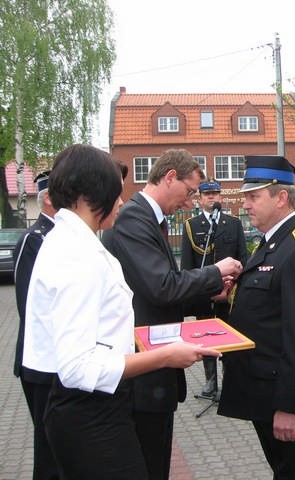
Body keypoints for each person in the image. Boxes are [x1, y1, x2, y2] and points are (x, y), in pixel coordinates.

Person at [21, 144, 219, 479]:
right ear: (93, 193)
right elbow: (78, 368)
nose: (122, 201)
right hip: (89, 412)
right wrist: (166, 356)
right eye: (116, 191)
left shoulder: (74, 242)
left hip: (91, 406)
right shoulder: (76, 255)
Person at [102, 148, 243, 480]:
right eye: (189, 191)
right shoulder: (134, 219)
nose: (191, 201)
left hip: (154, 368)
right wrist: (214, 271)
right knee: (149, 465)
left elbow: (164, 293)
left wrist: (211, 292)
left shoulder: (148, 218)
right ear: (169, 177)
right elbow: (161, 287)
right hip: (143, 372)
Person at [217, 155, 295, 480]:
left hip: (288, 400)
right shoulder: (270, 244)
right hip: (265, 392)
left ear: (281, 197)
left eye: (253, 197)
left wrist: (291, 406)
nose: (245, 205)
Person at [181, 179, 248, 400]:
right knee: (206, 338)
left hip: (229, 295)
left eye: (215, 194)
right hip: (204, 295)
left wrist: (233, 287)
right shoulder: (192, 226)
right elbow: (187, 266)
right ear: (199, 199)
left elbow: (243, 258)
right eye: (207, 194)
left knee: (229, 338)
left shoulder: (233, 223)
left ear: (220, 197)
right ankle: (210, 381)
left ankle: (229, 380)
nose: (212, 197)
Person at [12, 171, 59, 480]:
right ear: (48, 199)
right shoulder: (35, 239)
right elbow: (29, 306)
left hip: (58, 360)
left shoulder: (64, 236)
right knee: (48, 451)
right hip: (40, 361)